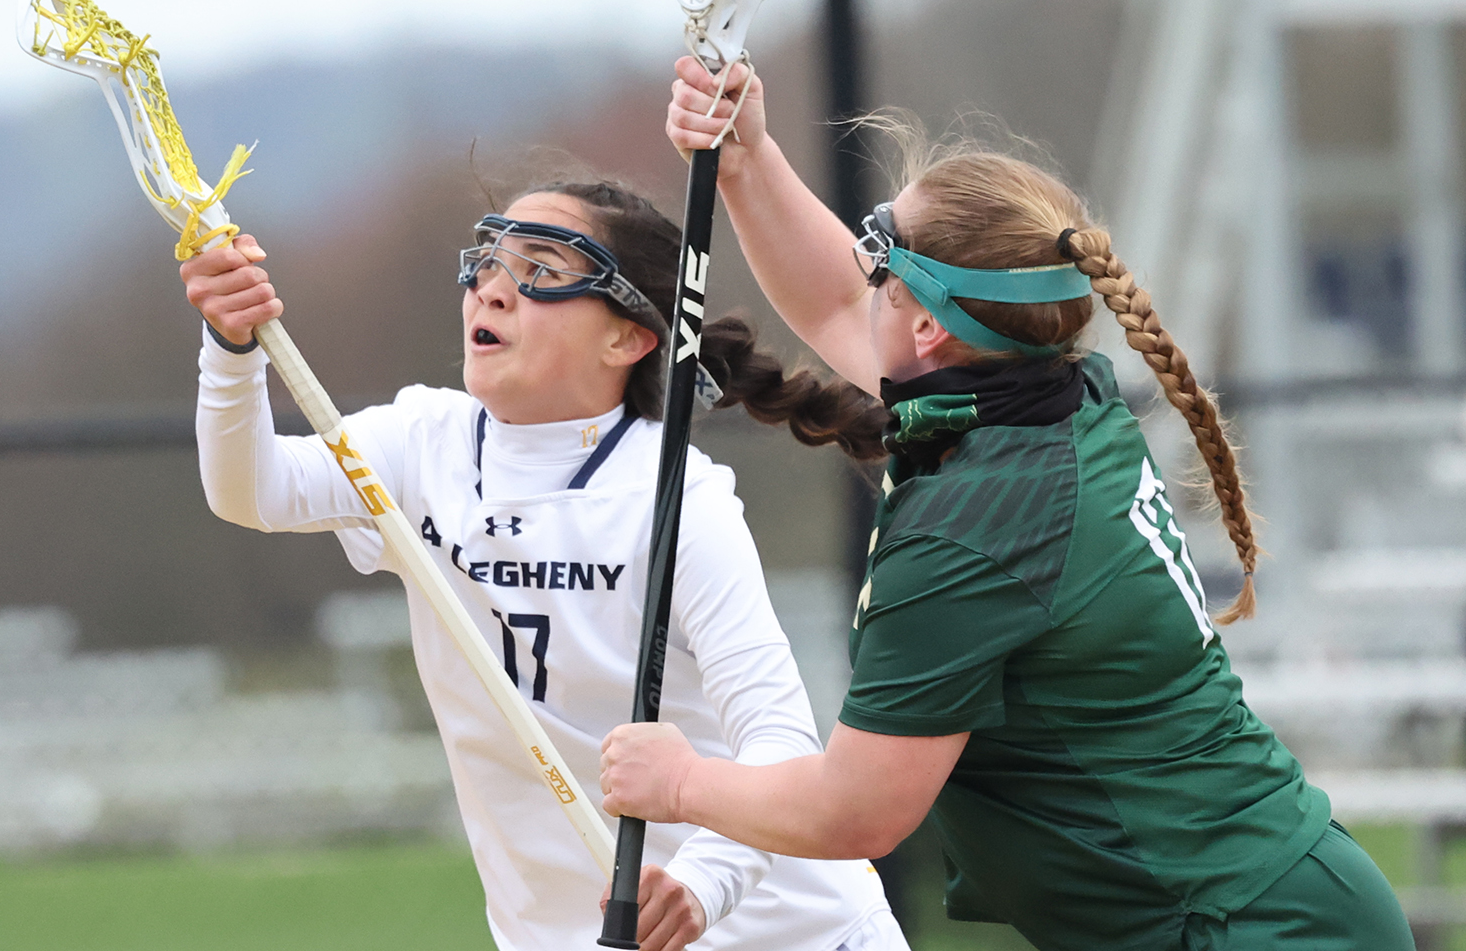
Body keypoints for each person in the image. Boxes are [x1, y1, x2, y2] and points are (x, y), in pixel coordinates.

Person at [597, 59, 1416, 951]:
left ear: (926, 330)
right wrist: (749, 158)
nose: (861, 277)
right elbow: (841, 298)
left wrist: (680, 782)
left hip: (1248, 929)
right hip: (1272, 901)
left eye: (881, 261)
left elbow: (858, 809)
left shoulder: (978, 521)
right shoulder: (1055, 398)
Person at [182, 180, 907, 951]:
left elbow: (781, 740)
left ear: (628, 340)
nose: (494, 288)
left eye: (542, 272)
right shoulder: (419, 445)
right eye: (489, 260)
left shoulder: (678, 499)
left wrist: (703, 885)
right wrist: (231, 349)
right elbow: (251, 490)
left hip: (794, 933)